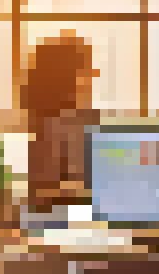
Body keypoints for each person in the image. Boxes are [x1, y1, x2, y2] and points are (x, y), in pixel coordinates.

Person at [20, 32, 99, 211]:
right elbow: (43, 193)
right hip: (63, 221)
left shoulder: (88, 120)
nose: (94, 76)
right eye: (86, 70)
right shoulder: (49, 127)